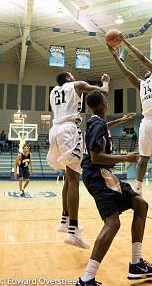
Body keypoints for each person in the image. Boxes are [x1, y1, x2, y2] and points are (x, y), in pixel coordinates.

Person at [77, 91, 152, 286]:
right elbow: (96, 157)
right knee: (112, 223)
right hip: (98, 175)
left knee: (140, 204)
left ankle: (136, 264)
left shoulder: (95, 122)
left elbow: (104, 128)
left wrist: (120, 120)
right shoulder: (97, 124)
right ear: (103, 103)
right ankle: (86, 278)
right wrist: (126, 157)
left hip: (103, 175)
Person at [47, 71, 110, 248]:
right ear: (67, 78)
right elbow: (101, 92)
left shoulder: (53, 92)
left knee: (69, 177)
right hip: (68, 130)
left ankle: (65, 220)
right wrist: (105, 82)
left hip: (55, 131)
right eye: (71, 75)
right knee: (74, 179)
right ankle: (73, 231)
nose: (74, 77)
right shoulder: (76, 85)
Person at [109, 35, 152, 209]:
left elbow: (142, 59)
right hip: (147, 121)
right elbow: (126, 72)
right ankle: (138, 190)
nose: (145, 70)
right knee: (142, 159)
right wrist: (115, 56)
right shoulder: (141, 84)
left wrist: (126, 43)